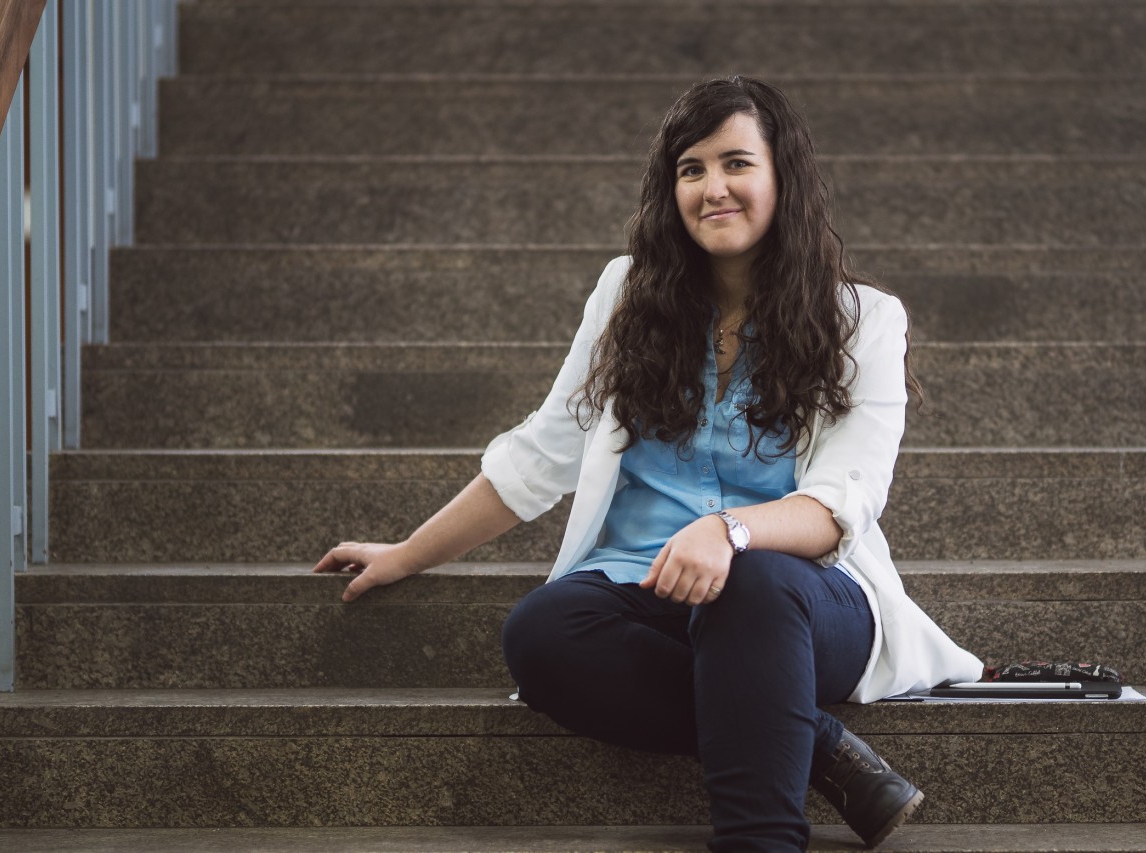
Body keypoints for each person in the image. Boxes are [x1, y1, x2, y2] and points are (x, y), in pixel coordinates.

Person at [313, 76, 983, 852]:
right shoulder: (627, 294)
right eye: (690, 169)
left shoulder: (864, 321)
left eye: (736, 163)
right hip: (647, 586)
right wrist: (405, 555)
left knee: (753, 581)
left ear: (782, 177)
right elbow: (543, 451)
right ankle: (819, 744)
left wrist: (728, 531)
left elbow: (842, 502)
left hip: (802, 605)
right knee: (541, 630)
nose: (712, 187)